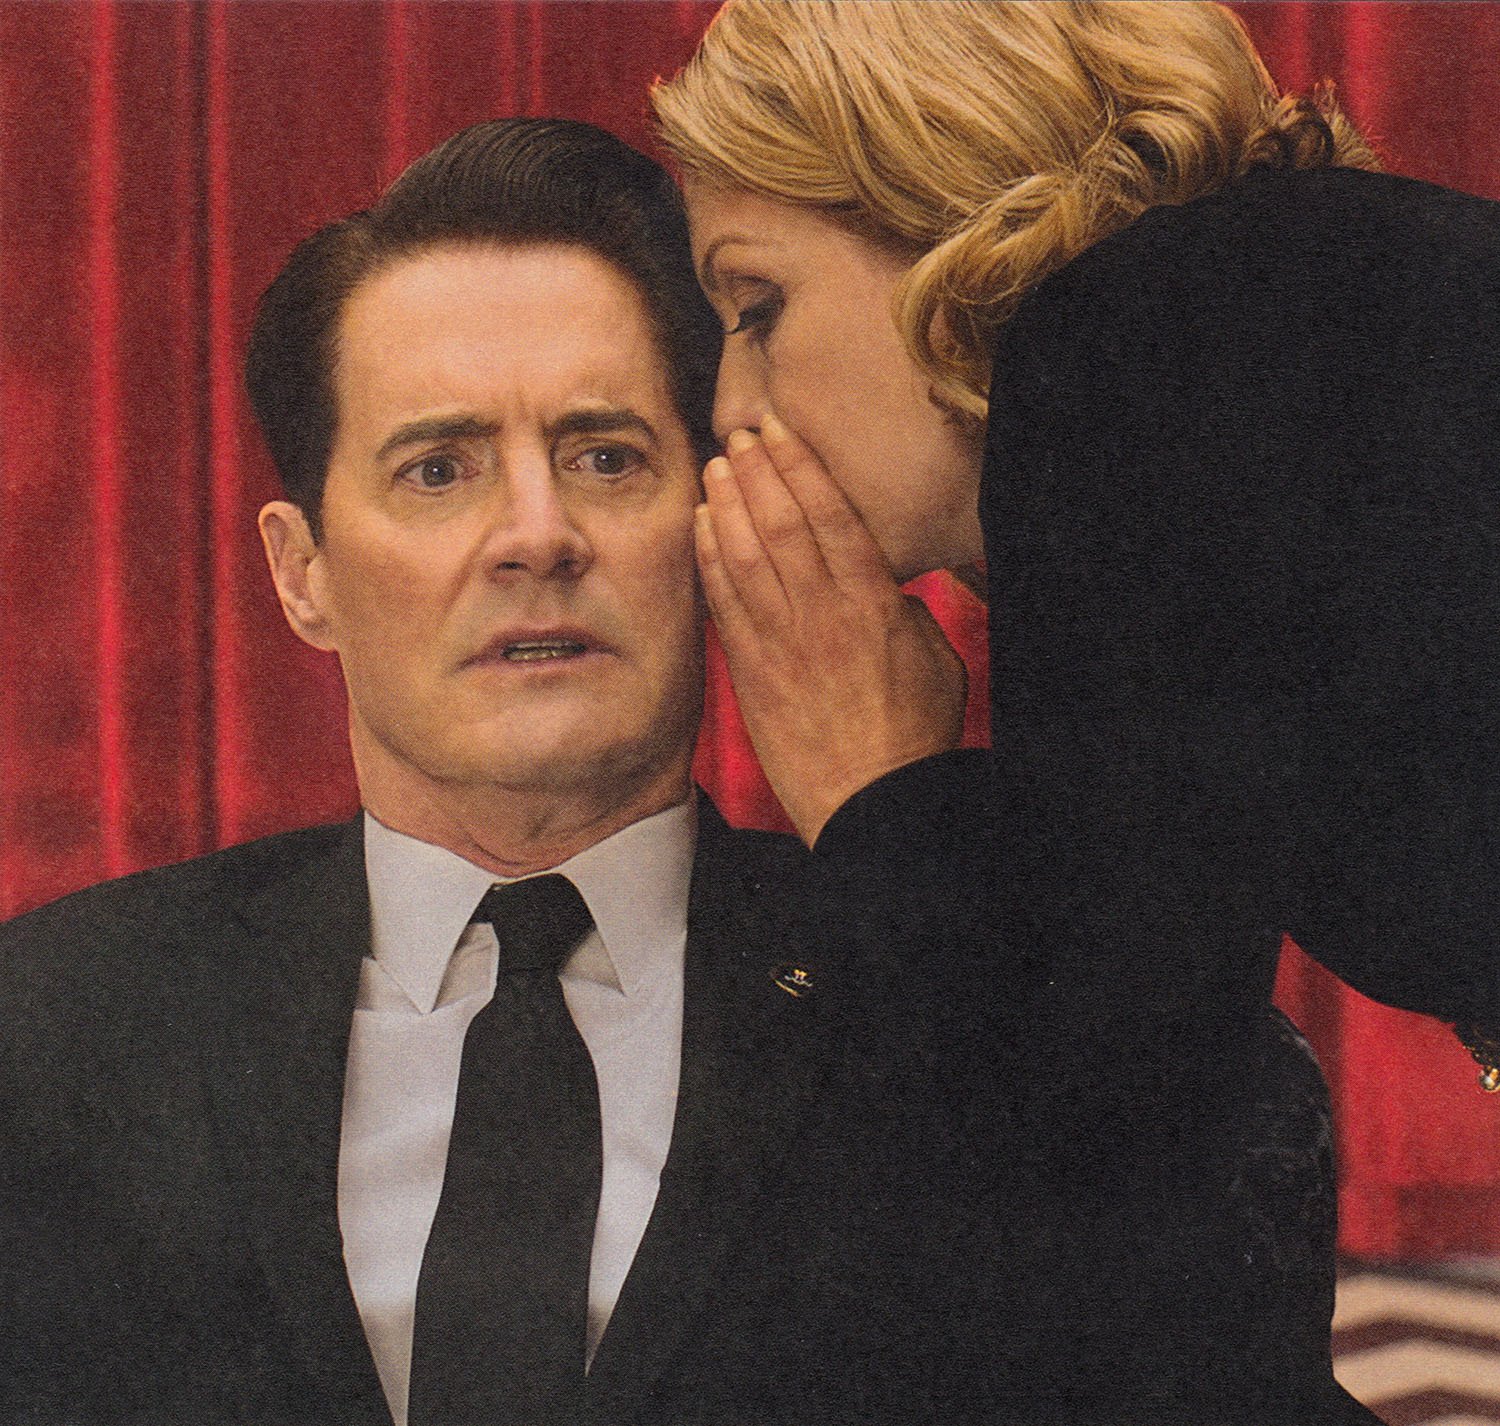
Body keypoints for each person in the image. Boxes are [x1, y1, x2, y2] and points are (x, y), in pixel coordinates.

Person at [0, 116, 973, 1426]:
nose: (537, 533)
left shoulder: (929, 966)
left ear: (719, 515)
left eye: (606, 457)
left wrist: (900, 842)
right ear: (303, 572)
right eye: (439, 469)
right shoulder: (52, 1031)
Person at [654, 1, 1500, 1420]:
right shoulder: (1271, 327)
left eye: (757, 308)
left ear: (947, 206)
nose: (734, 406)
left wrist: (880, 801)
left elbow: (1099, 1273)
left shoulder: (1120, 347)